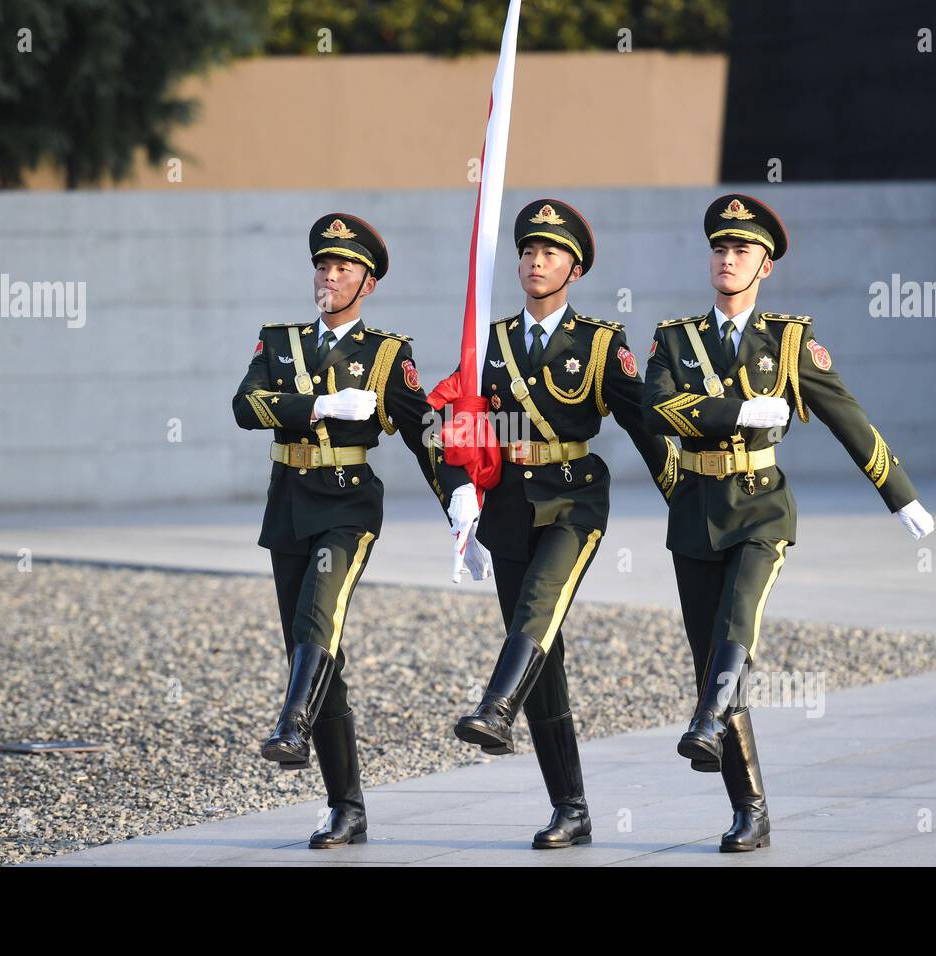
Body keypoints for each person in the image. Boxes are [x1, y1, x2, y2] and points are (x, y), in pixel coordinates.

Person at [642, 193, 936, 851]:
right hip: (694, 511)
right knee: (716, 662)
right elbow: (656, 407)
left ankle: (708, 721)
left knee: (737, 624)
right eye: (720, 248)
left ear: (764, 267)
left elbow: (846, 417)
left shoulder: (790, 341)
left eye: (741, 250)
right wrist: (737, 413)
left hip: (761, 507)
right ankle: (751, 810)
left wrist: (901, 495)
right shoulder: (673, 338)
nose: (726, 258)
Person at [232, 212, 477, 848]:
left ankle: (291, 726)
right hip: (288, 503)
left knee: (319, 614)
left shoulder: (386, 355)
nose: (329, 275)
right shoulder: (279, 341)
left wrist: (457, 496)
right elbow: (246, 406)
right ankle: (348, 807)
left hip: (346, 506)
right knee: (315, 654)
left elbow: (425, 432)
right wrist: (317, 405)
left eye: (343, 268)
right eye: (323, 265)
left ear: (367, 284)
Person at [450, 198, 679, 848]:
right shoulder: (488, 343)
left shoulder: (601, 344)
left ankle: (496, 707)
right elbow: (451, 425)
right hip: (509, 507)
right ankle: (570, 808)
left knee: (539, 606)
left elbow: (644, 425)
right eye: (527, 250)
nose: (535, 260)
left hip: (575, 500)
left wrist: (684, 501)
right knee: (543, 653)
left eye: (549, 252)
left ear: (574, 268)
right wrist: (459, 497)